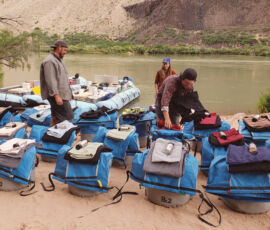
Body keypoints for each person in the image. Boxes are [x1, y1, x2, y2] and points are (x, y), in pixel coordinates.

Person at [40, 40, 74, 126]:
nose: (65, 52)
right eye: (65, 50)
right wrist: (56, 96)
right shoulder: (50, 61)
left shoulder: (58, 60)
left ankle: (51, 135)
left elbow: (62, 78)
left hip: (61, 94)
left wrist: (68, 94)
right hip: (56, 95)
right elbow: (50, 80)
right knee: (67, 117)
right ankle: (62, 136)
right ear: (59, 48)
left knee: (55, 116)